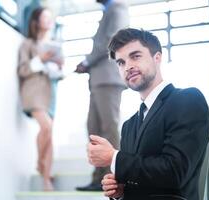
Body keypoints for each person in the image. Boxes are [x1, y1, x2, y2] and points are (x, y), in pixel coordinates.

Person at [87, 28, 209, 200]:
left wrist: (113, 157)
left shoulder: (187, 99)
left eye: (135, 56)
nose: (128, 66)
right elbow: (143, 176)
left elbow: (175, 172)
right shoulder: (129, 125)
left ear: (157, 58)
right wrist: (122, 191)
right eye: (121, 62)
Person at [75, 0, 129, 192]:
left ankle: (112, 178)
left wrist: (87, 61)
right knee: (94, 129)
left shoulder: (117, 8)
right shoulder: (110, 10)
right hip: (98, 79)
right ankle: (98, 178)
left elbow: (111, 41)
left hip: (108, 78)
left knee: (108, 127)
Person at [17, 6, 64, 191]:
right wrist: (41, 59)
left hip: (50, 92)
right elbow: (22, 70)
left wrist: (59, 67)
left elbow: (57, 74)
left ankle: (46, 180)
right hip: (34, 92)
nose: (49, 20)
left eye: (50, 17)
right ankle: (39, 162)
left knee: (49, 134)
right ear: (36, 21)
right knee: (47, 127)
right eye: (45, 17)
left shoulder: (55, 45)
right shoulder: (28, 44)